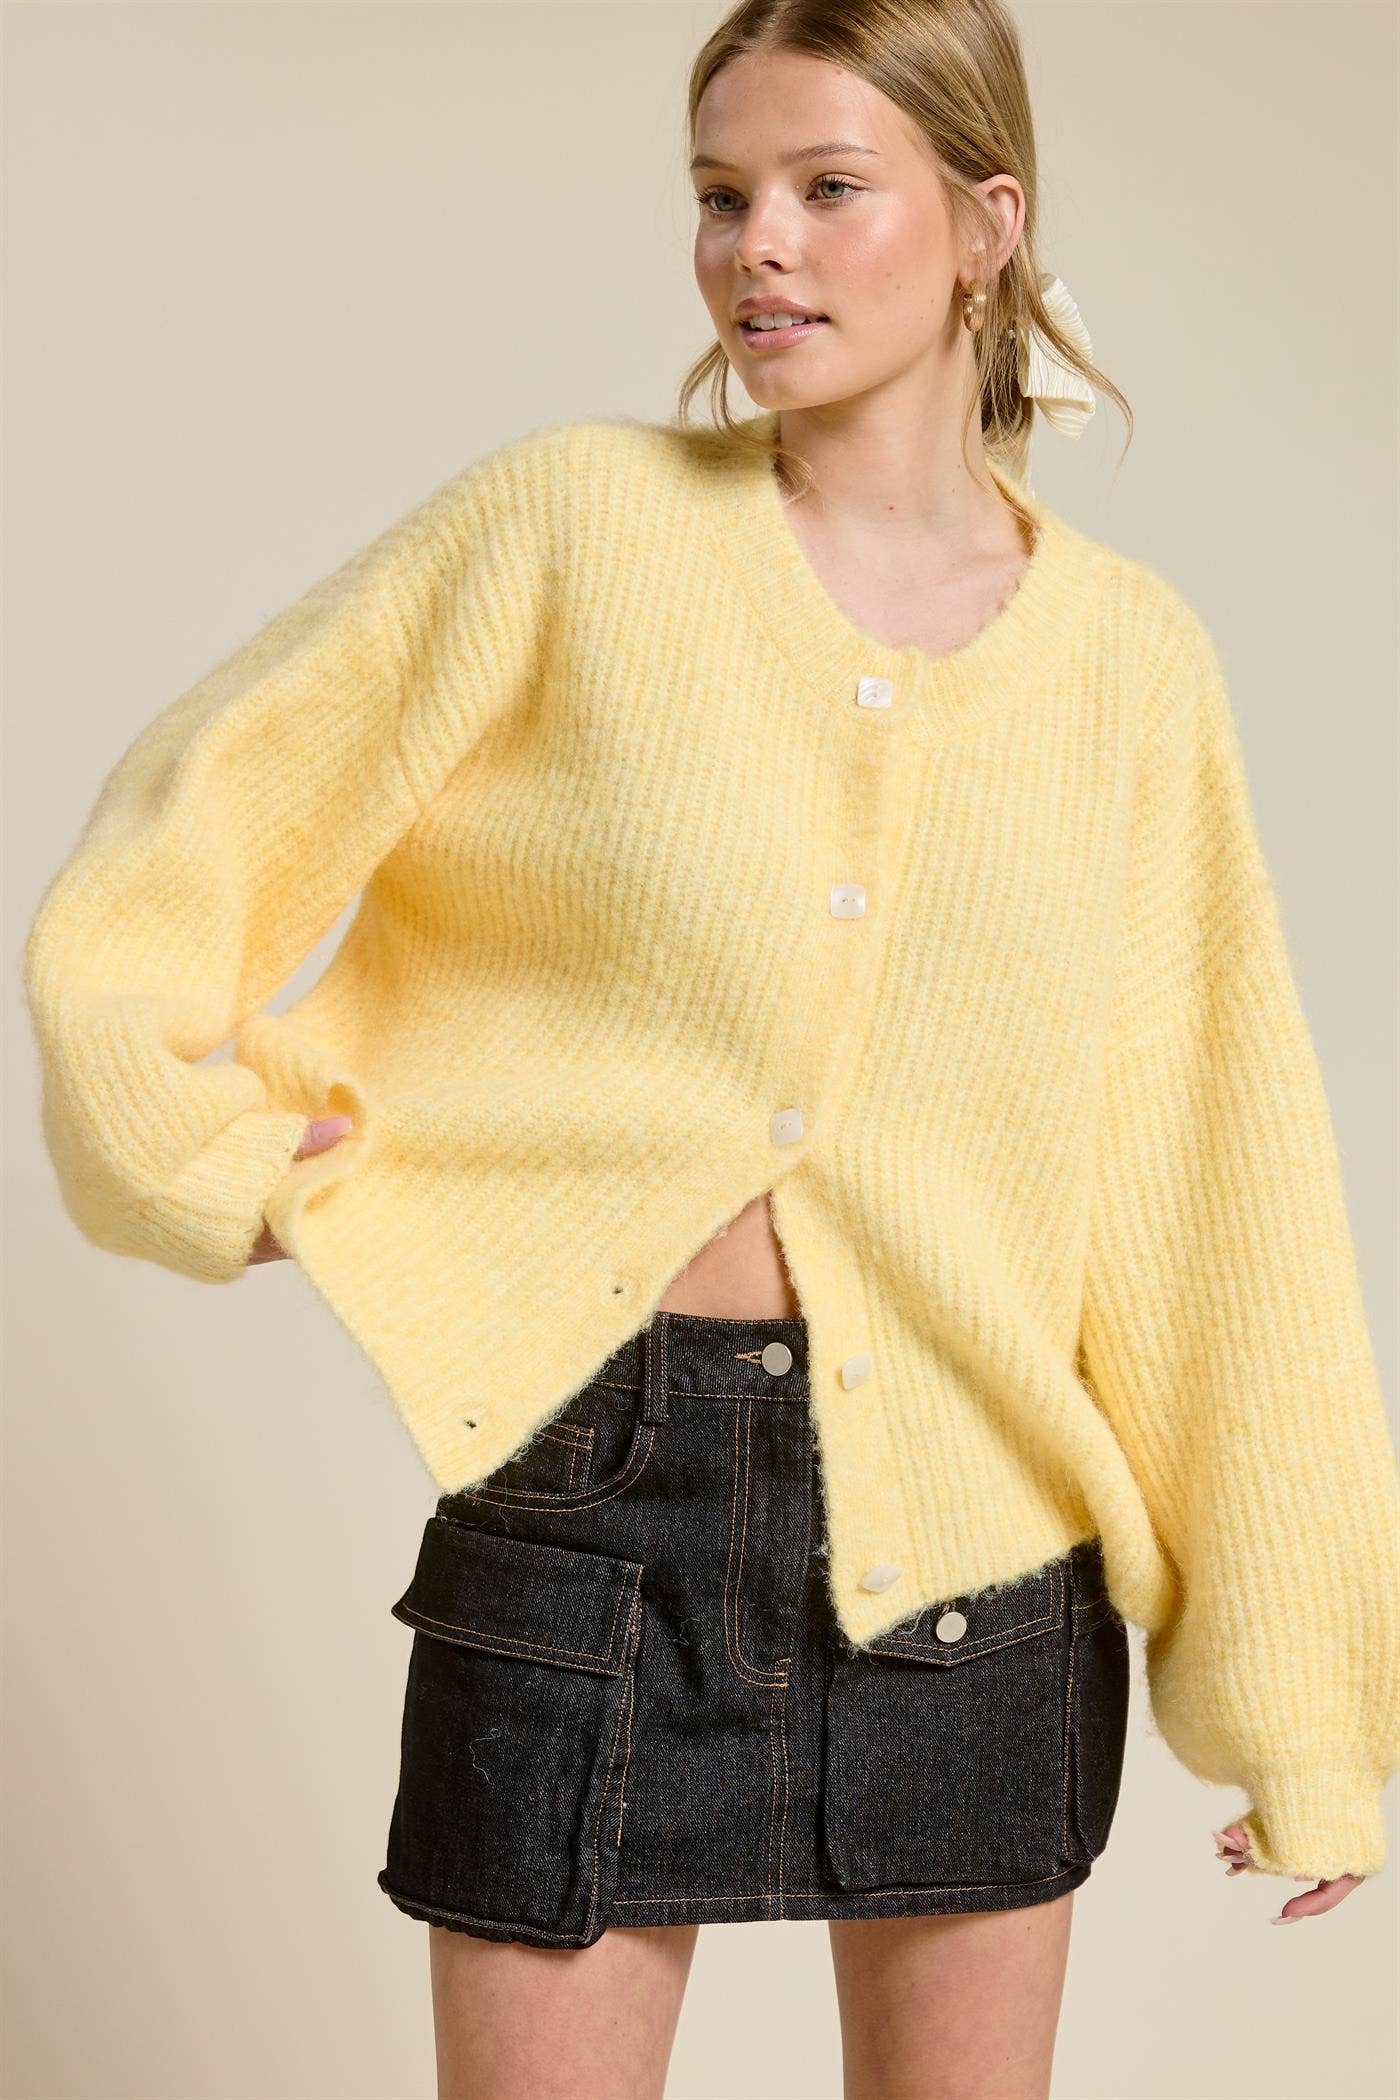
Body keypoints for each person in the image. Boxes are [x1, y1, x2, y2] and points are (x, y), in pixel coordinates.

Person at [23, 3, 1400, 2096]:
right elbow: (182, 841)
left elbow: (1217, 1184)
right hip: (589, 1499)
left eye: (828, 189)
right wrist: (213, 1162)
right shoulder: (569, 530)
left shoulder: (1129, 667)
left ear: (984, 225)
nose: (757, 243)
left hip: (976, 1552)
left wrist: (1308, 1709)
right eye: (720, 193)